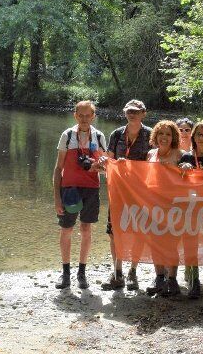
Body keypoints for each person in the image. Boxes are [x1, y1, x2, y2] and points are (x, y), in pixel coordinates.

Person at [53, 100, 107, 290]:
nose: (84, 119)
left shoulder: (99, 137)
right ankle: (65, 272)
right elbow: (58, 168)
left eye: (88, 115)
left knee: (86, 230)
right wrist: (57, 198)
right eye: (81, 115)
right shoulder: (67, 136)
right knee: (66, 229)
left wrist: (97, 165)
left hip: (91, 189)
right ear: (75, 115)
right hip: (70, 189)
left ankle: (82, 273)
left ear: (93, 116)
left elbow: (105, 169)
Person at [100, 99, 151, 291]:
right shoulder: (115, 134)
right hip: (119, 191)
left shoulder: (151, 134)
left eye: (136, 112)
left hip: (141, 192)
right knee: (115, 233)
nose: (132, 114)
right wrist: (107, 160)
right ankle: (117, 273)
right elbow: (109, 159)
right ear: (124, 113)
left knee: (138, 232)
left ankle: (133, 272)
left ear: (143, 114)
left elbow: (154, 163)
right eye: (129, 111)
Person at [146, 120, 190, 298]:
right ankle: (159, 278)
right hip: (152, 205)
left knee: (171, 244)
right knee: (155, 242)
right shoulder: (150, 154)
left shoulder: (181, 154)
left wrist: (187, 168)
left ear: (174, 137)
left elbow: (189, 178)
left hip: (174, 206)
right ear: (155, 135)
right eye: (161, 133)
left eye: (168, 134)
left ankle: (172, 279)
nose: (164, 137)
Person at [178, 120, 203, 297]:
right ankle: (194, 281)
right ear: (193, 137)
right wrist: (181, 170)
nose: (201, 138)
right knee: (190, 242)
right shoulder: (186, 157)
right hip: (190, 206)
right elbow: (175, 182)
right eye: (198, 134)